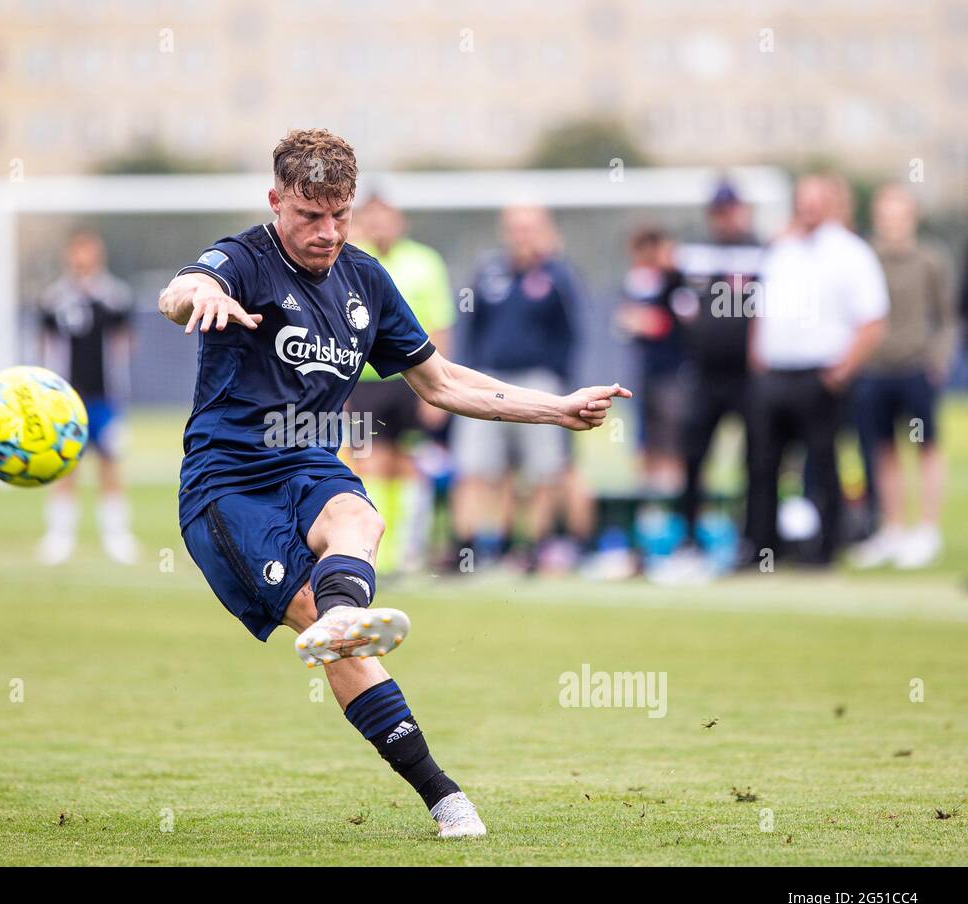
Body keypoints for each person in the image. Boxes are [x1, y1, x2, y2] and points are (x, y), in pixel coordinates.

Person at [157, 129, 630, 838]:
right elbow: (183, 287)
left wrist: (555, 410)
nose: (328, 232)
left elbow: (439, 382)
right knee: (333, 635)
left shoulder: (365, 279)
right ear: (276, 201)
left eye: (340, 214)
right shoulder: (244, 258)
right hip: (228, 487)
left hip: (307, 460)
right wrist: (195, 297)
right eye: (310, 216)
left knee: (360, 521)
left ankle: (348, 617)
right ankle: (441, 791)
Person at [744, 176, 888, 567]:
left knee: (822, 464)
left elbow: (872, 317)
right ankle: (762, 548)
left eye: (816, 201)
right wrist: (757, 355)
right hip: (775, 374)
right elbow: (761, 308)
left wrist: (842, 368)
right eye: (802, 201)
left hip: (820, 375)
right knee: (761, 464)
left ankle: (825, 550)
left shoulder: (850, 252)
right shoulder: (781, 250)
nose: (808, 209)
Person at [451, 205, 595, 572]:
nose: (522, 236)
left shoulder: (558, 276)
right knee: (478, 467)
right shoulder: (488, 273)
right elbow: (473, 329)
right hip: (488, 380)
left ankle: (534, 546)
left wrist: (560, 387)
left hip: (538, 381)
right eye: (515, 228)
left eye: (529, 228)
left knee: (543, 469)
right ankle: (467, 549)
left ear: (545, 231)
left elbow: (571, 334)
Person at [344, 194, 454, 575]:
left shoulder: (425, 262)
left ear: (400, 220)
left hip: (411, 379)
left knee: (410, 463)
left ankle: (410, 549)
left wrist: (438, 389)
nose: (379, 226)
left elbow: (440, 325)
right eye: (371, 218)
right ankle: (376, 550)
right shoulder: (351, 259)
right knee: (369, 462)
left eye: (385, 218)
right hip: (364, 381)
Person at [848, 183, 957, 569]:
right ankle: (891, 528)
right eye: (885, 213)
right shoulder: (864, 258)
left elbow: (947, 316)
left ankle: (926, 529)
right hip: (875, 369)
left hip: (915, 367)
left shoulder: (930, 259)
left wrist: (937, 359)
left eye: (899, 213)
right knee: (882, 450)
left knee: (925, 447)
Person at [36, 231, 140, 566]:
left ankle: (116, 535)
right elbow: (45, 343)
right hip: (66, 399)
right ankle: (60, 536)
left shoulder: (114, 296)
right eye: (78, 251)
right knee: (65, 464)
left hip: (105, 398)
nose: (83, 258)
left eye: (89, 251)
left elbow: (126, 340)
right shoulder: (54, 298)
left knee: (110, 463)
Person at [673, 183, 762, 545]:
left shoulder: (762, 251)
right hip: (705, 372)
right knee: (693, 456)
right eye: (719, 212)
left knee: (757, 458)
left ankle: (753, 538)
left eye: (730, 210)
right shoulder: (695, 251)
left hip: (749, 373)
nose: (725, 219)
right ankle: (691, 537)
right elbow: (677, 302)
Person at [616, 226, 690, 493]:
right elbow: (626, 321)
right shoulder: (635, 282)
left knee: (673, 440)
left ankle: (674, 500)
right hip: (645, 373)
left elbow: (667, 323)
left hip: (674, 375)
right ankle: (651, 502)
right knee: (645, 440)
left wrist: (647, 322)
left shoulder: (675, 282)